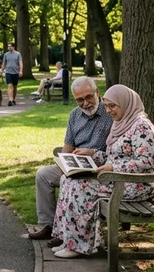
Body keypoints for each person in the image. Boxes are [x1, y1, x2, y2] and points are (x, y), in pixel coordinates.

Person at [50, 85, 154, 258]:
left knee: (80, 186)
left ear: (126, 103)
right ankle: (67, 239)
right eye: (106, 106)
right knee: (68, 180)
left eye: (112, 106)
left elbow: (145, 162)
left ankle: (78, 246)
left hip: (136, 184)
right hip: (119, 179)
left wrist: (113, 168)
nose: (108, 110)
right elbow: (114, 155)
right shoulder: (122, 123)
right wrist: (92, 153)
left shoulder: (141, 126)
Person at [28, 77, 112, 241]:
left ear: (97, 92)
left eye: (88, 97)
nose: (85, 103)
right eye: (79, 100)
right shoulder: (74, 115)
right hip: (78, 167)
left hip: (100, 170)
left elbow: (115, 151)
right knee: (43, 174)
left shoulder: (110, 113)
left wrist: (92, 152)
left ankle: (65, 232)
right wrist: (67, 162)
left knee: (70, 181)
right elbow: (67, 149)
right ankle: (49, 226)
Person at [0, 42, 23, 106]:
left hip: (16, 72)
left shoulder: (18, 54)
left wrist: (20, 71)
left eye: (10, 46)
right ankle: (10, 100)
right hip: (8, 72)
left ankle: (13, 99)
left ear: (13, 47)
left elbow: (20, 63)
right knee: (10, 86)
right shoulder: (6, 54)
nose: (9, 47)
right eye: (8, 46)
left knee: (14, 87)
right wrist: (1, 69)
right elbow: (4, 63)